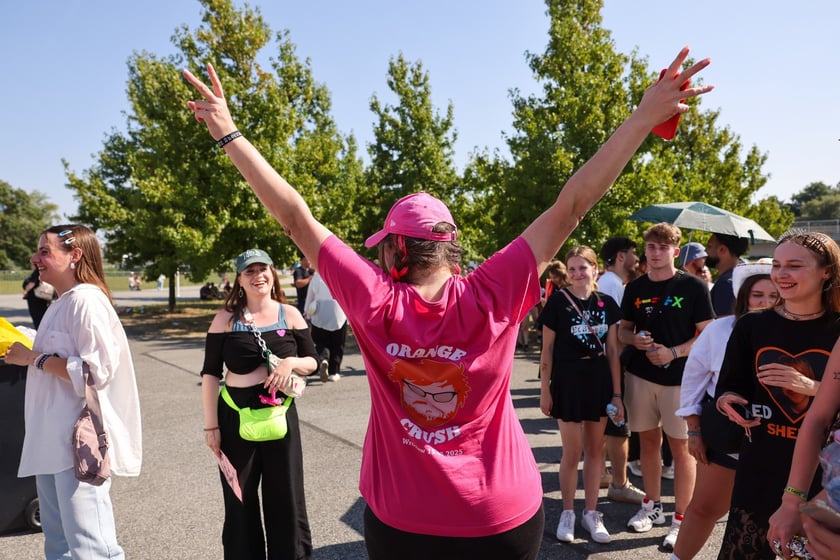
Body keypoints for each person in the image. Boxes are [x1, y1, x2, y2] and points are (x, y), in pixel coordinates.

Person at [184, 47, 712, 559]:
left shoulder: (373, 297)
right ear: (449, 247)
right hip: (501, 518)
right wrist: (642, 118)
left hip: (404, 521)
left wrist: (229, 132)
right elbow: (573, 204)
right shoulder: (494, 287)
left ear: (396, 250)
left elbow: (295, 219)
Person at [4, 224, 142, 559]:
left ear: (74, 255)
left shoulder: (86, 301)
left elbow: (97, 371)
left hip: (75, 444)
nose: (35, 258)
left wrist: (33, 358)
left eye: (45, 251)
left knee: (90, 545)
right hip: (51, 443)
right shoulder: (62, 302)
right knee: (60, 544)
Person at [713, 230, 840, 559]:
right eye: (777, 265)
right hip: (760, 463)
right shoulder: (752, 325)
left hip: (825, 477)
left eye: (794, 266)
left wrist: (812, 388)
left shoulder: (837, 329)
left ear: (827, 272)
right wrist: (729, 402)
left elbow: (828, 410)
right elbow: (729, 384)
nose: (781, 274)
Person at [200, 248, 319, 560]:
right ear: (239, 280)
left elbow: (313, 361)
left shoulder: (289, 314)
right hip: (235, 418)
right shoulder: (225, 320)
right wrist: (211, 426)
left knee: (287, 496)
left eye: (263, 269)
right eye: (249, 271)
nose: (258, 276)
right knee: (240, 499)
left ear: (272, 273)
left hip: (281, 416)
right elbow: (210, 373)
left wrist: (291, 362)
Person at [618, 222, 715, 550]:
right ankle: (652, 506)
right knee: (647, 443)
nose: (656, 253)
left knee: (682, 450)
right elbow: (622, 331)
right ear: (645, 249)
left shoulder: (694, 287)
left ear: (675, 251)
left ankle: (680, 519)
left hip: (681, 380)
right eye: (651, 247)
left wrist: (673, 352)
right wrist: (635, 340)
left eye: (663, 247)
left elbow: (708, 333)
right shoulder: (635, 287)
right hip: (641, 376)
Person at [671, 262, 778, 560]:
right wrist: (694, 431)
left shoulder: (793, 333)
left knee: (765, 516)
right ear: (744, 296)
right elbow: (693, 381)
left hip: (777, 440)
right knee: (704, 508)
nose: (766, 302)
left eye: (774, 295)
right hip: (727, 435)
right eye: (758, 295)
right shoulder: (719, 330)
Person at [539, 246, 623, 543]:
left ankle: (591, 512)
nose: (577, 274)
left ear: (595, 269)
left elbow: (612, 351)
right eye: (572, 268)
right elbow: (547, 350)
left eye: (582, 268)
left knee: (595, 451)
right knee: (572, 452)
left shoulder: (607, 303)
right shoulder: (558, 302)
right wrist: (545, 390)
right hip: (567, 381)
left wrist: (617, 394)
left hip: (599, 381)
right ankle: (567, 512)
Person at [597, 237, 645, 505]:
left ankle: (605, 475)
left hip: (607, 365)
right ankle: (619, 483)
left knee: (607, 424)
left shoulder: (609, 283)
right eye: (633, 253)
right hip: (610, 366)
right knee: (618, 425)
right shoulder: (612, 285)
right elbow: (613, 336)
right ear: (620, 257)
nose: (637, 259)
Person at [304, 270, 348, 382]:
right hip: (338, 313)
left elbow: (310, 296)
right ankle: (334, 372)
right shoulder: (341, 275)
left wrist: (307, 313)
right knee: (338, 344)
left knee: (320, 342)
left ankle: (323, 358)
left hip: (320, 314)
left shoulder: (317, 277)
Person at [706, 233, 749, 316]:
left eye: (709, 246)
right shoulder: (740, 277)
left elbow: (724, 321)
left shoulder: (726, 283)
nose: (705, 251)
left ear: (722, 249)